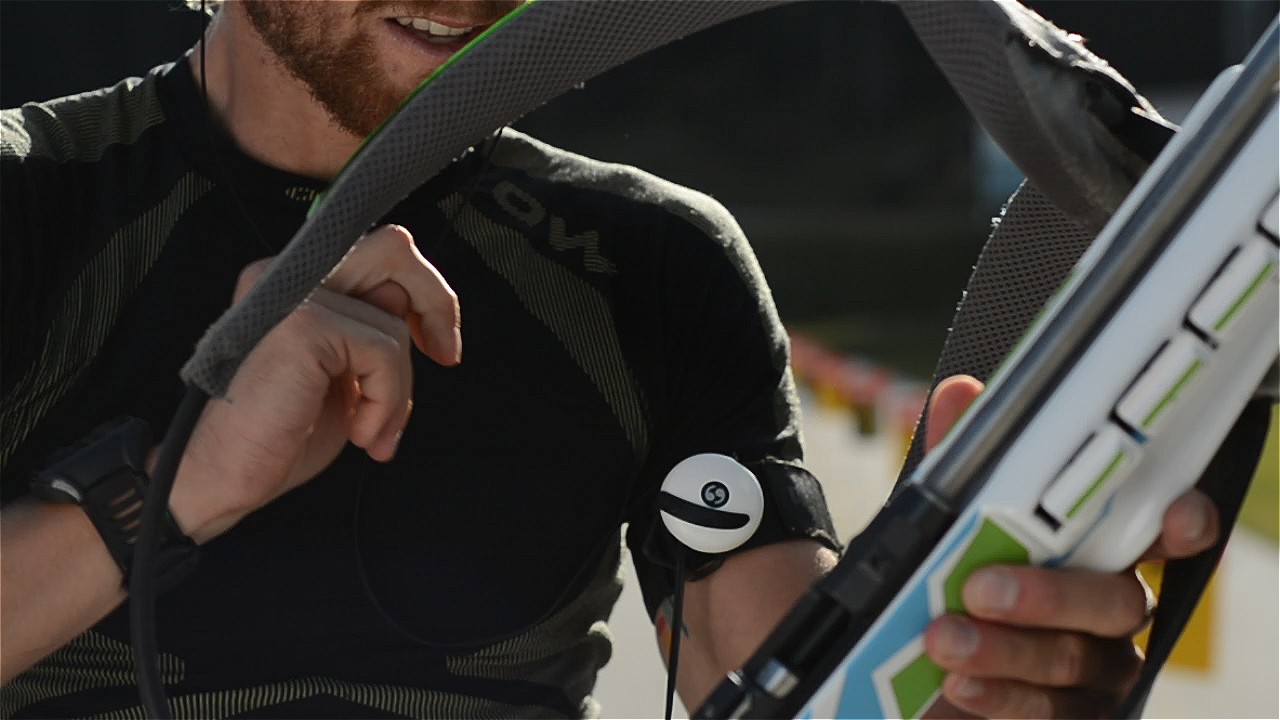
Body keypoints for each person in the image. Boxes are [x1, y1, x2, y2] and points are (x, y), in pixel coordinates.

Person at [0, 1, 1222, 718]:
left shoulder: (649, 257)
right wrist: (179, 487)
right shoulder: (30, 196)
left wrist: (969, 665)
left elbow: (797, 687)